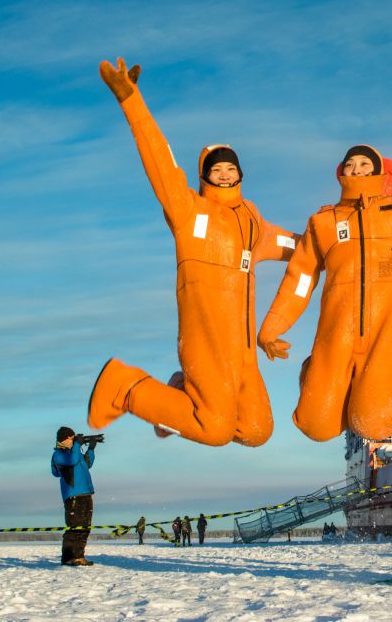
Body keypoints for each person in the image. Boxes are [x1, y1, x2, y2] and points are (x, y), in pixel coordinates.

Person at [88, 58, 298, 447]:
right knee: (215, 430)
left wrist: (340, 242)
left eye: (230, 168)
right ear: (204, 173)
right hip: (205, 341)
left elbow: (297, 246)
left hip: (244, 353)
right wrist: (131, 100)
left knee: (255, 430)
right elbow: (160, 163)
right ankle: (126, 386)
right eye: (216, 168)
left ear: (240, 173)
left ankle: (178, 398)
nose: (224, 173)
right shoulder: (189, 212)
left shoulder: (255, 224)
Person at [257, 71, 392, 443]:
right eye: (350, 165)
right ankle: (316, 372)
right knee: (314, 425)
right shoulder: (324, 222)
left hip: (384, 338)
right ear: (340, 173)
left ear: (379, 173)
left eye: (365, 165)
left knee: (373, 424)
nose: (357, 169)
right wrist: (271, 330)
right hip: (335, 338)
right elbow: (299, 279)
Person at [50, 426, 97, 566]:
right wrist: (77, 444)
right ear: (65, 439)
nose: (74, 440)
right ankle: (68, 558)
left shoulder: (73, 452)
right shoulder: (60, 454)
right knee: (74, 527)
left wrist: (91, 449)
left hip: (86, 493)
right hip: (74, 496)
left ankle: (79, 556)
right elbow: (72, 461)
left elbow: (86, 463)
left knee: (84, 527)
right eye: (72, 438)